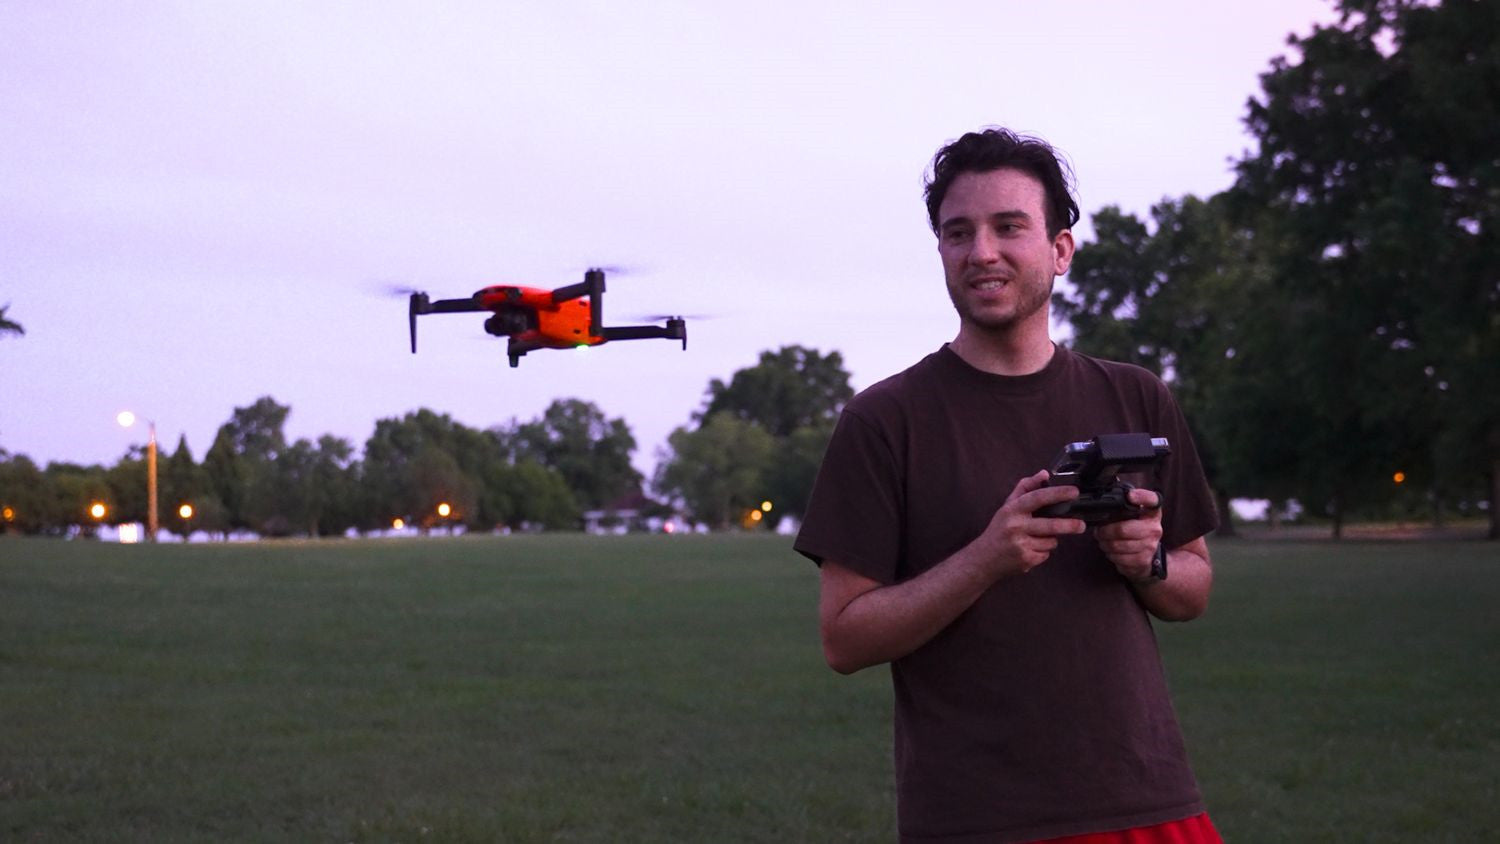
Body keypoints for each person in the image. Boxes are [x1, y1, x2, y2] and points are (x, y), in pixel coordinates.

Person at [794, 128, 1222, 844]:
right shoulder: (884, 420)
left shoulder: (1136, 398)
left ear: (1060, 250)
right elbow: (844, 639)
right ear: (941, 253)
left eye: (1008, 227)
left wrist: (1144, 561)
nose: (981, 251)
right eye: (958, 233)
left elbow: (1195, 587)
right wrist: (986, 558)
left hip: (1145, 798)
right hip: (975, 817)